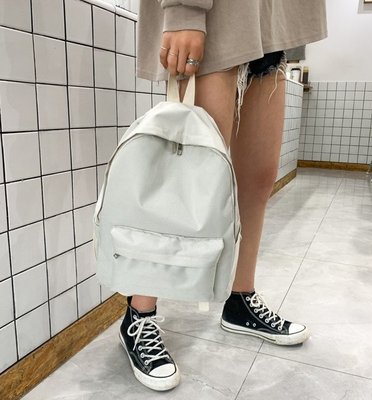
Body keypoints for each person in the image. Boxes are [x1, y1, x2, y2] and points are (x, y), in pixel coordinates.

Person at [119, 0, 327, 391]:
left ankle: (240, 299)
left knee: (259, 177)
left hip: (267, 23)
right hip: (220, 14)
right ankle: (139, 314)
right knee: (190, 176)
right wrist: (183, 10)